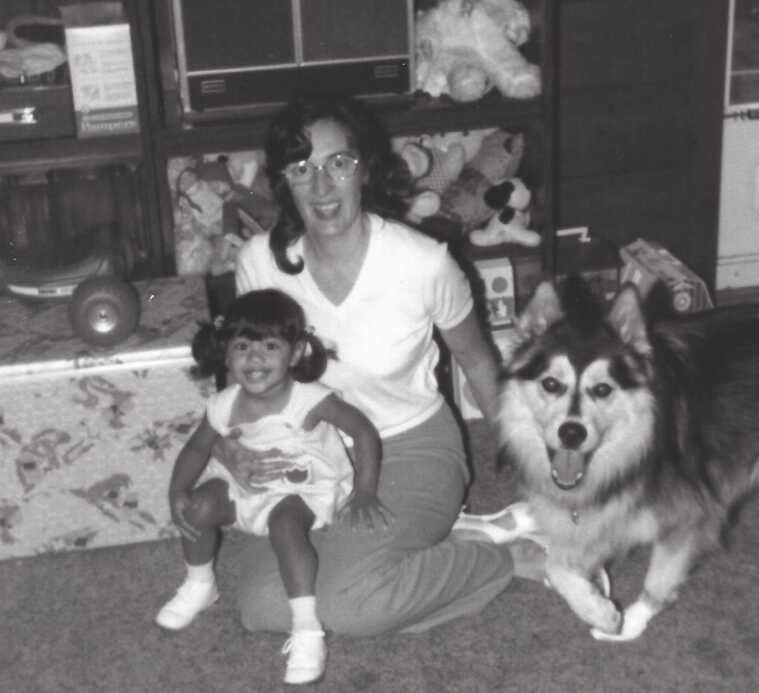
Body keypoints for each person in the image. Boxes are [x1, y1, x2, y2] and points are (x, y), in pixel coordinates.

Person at [232, 92, 541, 640]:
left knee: (349, 606)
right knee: (262, 607)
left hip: (411, 447)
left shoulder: (422, 263)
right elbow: (248, 377)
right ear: (283, 179)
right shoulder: (259, 264)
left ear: (364, 170)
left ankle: (502, 561)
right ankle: (410, 557)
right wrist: (232, 448)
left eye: (338, 164)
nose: (323, 187)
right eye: (303, 169)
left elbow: (476, 359)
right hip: (306, 450)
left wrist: (529, 463)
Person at [154, 288, 389, 685]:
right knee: (195, 508)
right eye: (242, 346)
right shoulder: (223, 405)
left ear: (295, 354)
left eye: (270, 346)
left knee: (284, 525)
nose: (255, 358)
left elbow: (364, 433)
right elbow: (197, 449)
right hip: (248, 485)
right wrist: (177, 490)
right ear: (226, 353)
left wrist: (365, 490)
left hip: (306, 489)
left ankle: (307, 628)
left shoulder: (311, 400)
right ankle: (200, 583)